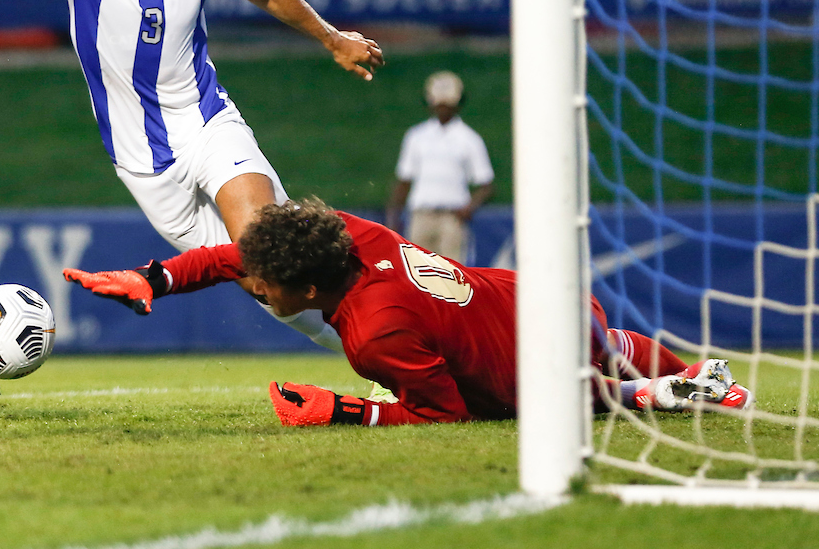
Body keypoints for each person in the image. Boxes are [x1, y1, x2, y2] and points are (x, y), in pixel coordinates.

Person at [4, 0, 383, 350]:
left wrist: (332, 38)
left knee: (270, 244)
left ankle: (409, 335)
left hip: (208, 124)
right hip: (144, 162)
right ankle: (371, 351)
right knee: (266, 283)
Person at [63, 198, 753, 426]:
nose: (258, 290)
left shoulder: (372, 337)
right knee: (608, 343)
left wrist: (347, 412)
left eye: (266, 286)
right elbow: (231, 256)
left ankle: (649, 393)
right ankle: (698, 378)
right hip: (553, 300)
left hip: (534, 374)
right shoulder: (348, 233)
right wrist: (156, 276)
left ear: (307, 290)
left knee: (564, 393)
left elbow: (447, 415)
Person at [385, 71, 494, 264]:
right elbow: (404, 179)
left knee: (452, 273)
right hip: (421, 214)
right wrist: (393, 217)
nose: (442, 109)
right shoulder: (416, 136)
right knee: (418, 271)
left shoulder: (469, 139)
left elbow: (486, 184)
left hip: (451, 217)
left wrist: (468, 208)